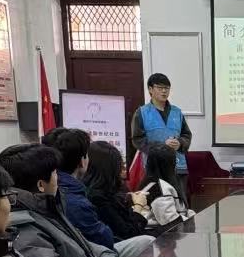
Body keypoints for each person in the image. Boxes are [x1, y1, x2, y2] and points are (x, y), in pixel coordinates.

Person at [0, 143, 118, 257]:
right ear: (41, 185)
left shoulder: (45, 208)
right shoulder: (20, 223)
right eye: (55, 174)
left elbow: (81, 243)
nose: (58, 179)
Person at [42, 128, 153, 257]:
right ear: (82, 161)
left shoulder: (69, 191)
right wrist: (139, 206)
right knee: (148, 242)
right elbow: (106, 239)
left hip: (75, 255)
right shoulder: (78, 199)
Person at [131, 72, 191, 201]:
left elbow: (186, 134)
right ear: (150, 89)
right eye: (160, 87)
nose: (164, 91)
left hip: (178, 166)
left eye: (167, 88)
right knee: (156, 201)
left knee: (180, 201)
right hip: (153, 168)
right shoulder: (142, 112)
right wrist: (161, 147)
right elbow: (137, 140)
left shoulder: (177, 112)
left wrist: (180, 143)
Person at [84, 140, 152, 243]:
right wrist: (139, 206)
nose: (122, 169)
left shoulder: (102, 190)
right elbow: (129, 233)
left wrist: (127, 198)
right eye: (120, 165)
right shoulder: (97, 199)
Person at [142, 142, 195, 231]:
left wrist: (188, 213)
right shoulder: (158, 188)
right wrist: (190, 218)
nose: (176, 165)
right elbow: (170, 222)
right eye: (174, 161)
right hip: (160, 235)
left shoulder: (154, 183)